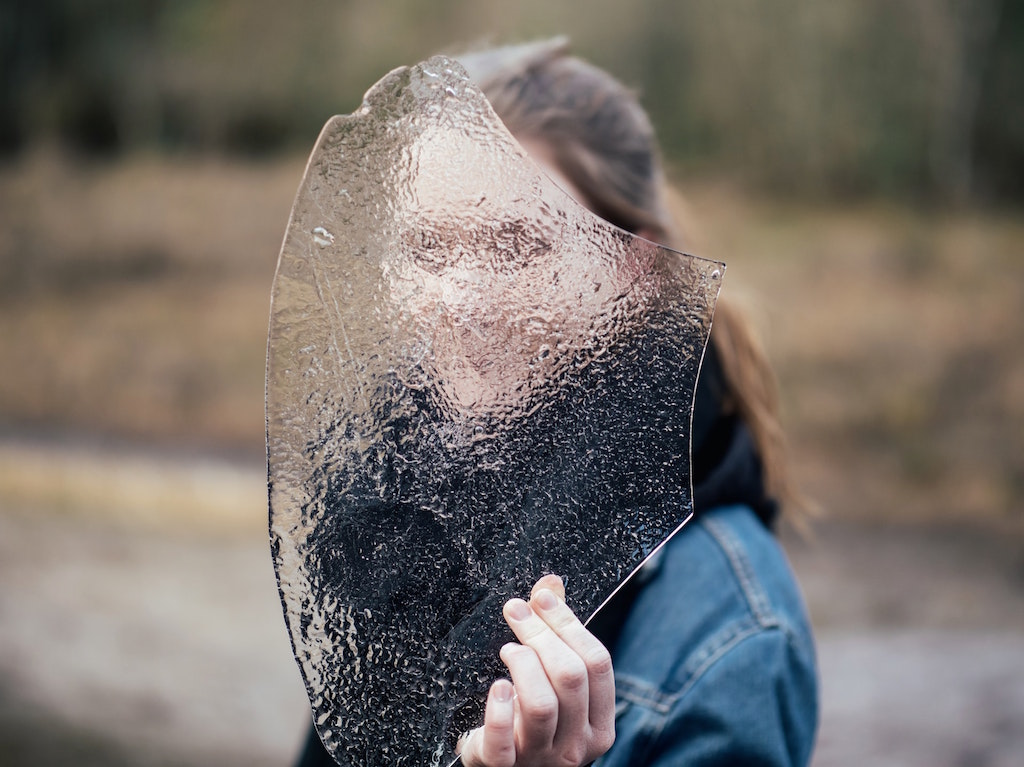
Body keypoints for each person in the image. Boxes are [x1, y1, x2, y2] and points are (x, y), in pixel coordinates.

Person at [296, 38, 818, 767]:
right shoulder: (399, 523)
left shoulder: (727, 629)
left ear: (632, 264)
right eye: (427, 247)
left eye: (517, 243)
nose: (462, 301)